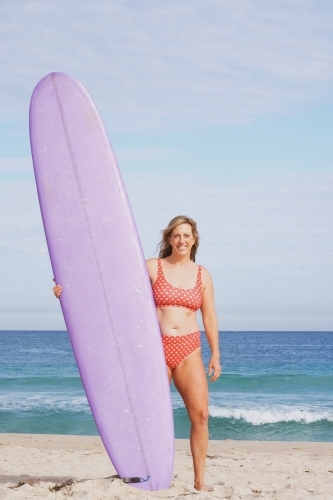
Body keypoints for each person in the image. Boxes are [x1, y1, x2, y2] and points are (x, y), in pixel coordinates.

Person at [53, 215, 221, 491]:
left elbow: (210, 317)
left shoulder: (203, 275)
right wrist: (69, 290)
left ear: (194, 240)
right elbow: (114, 288)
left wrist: (215, 354)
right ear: (169, 239)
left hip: (189, 348)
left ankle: (199, 481)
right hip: (156, 349)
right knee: (147, 417)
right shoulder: (154, 267)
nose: (182, 240)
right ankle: (143, 472)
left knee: (201, 415)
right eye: (176, 235)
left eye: (187, 235)